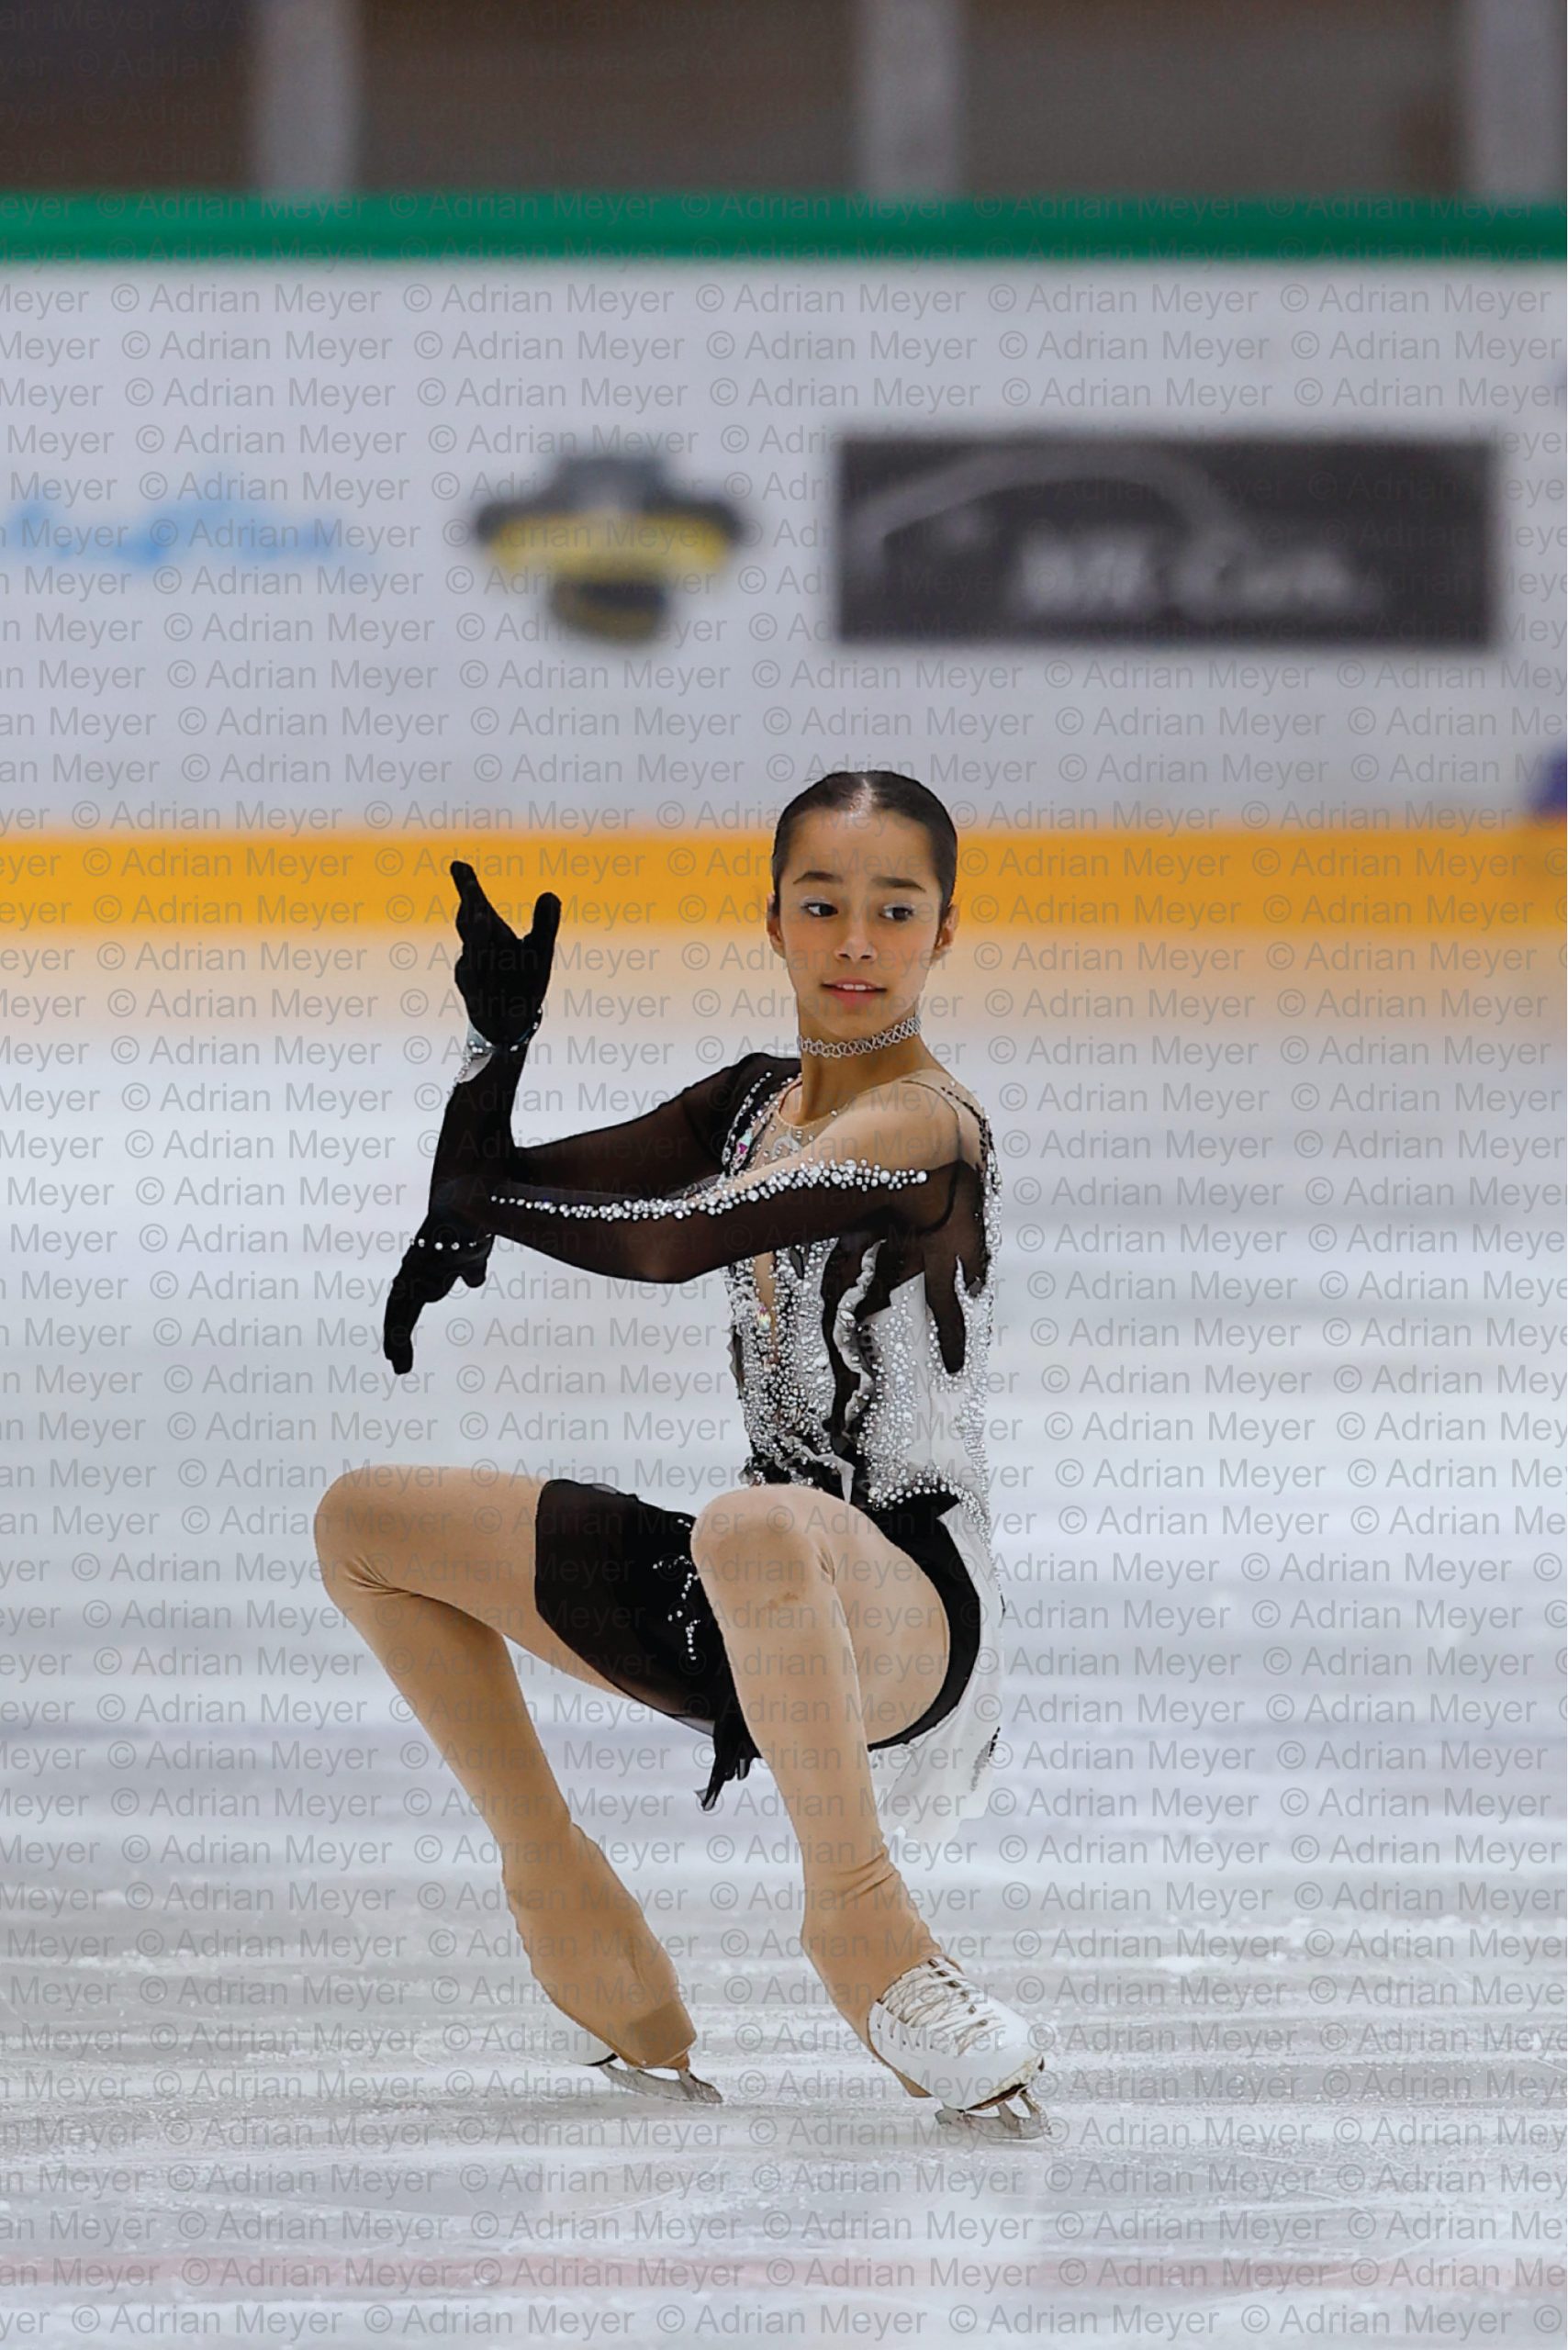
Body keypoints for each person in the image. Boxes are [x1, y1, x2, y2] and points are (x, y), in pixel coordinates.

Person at [314, 769, 1050, 2139]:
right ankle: (559, 1886)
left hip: (910, 1618)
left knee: (754, 1526)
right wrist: (494, 1047)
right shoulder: (753, 1101)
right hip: (755, 1602)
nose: (855, 942)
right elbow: (502, 1185)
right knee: (365, 1522)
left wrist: (481, 1200)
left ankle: (864, 1925)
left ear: (945, 932)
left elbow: (669, 1239)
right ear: (771, 920)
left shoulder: (924, 1124)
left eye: (895, 911)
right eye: (820, 905)